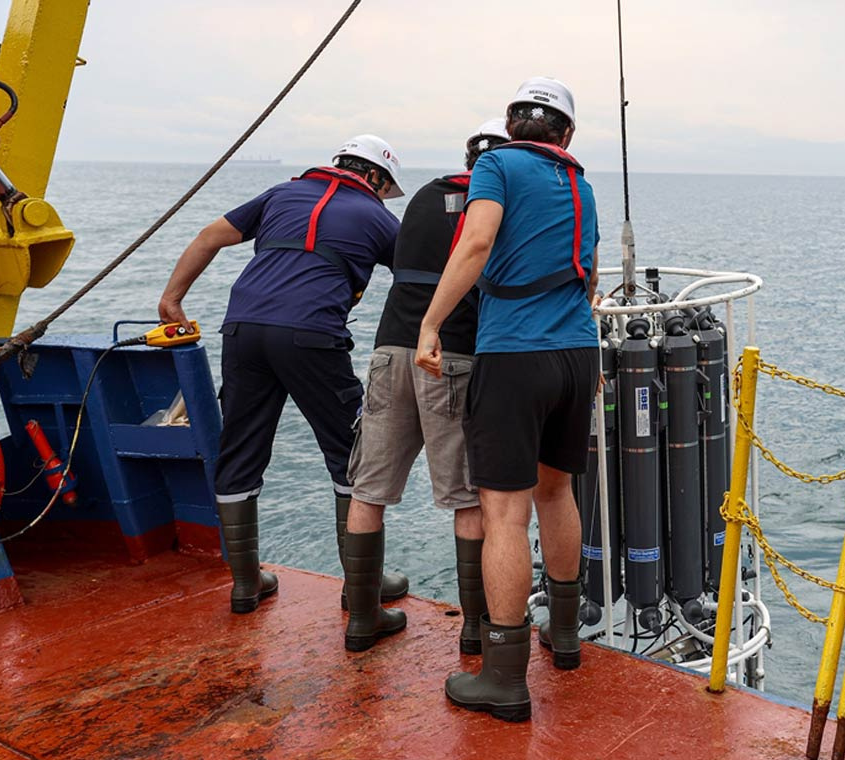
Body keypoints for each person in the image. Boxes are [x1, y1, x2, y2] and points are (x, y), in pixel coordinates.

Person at [157, 134, 409, 615]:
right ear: (374, 177)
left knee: (241, 449)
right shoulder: (378, 217)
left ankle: (246, 584)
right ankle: (363, 586)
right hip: (313, 337)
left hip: (243, 329)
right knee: (352, 457)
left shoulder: (279, 194)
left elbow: (209, 236)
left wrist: (172, 299)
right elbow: (417, 279)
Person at [415, 78, 600, 722]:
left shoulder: (495, 163)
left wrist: (432, 323)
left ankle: (503, 678)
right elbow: (591, 274)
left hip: (514, 357)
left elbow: (476, 241)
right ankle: (568, 634)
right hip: (578, 356)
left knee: (503, 514)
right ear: (566, 135)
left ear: (514, 124)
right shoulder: (581, 183)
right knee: (558, 491)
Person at [344, 120, 511, 653]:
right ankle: (474, 628)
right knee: (467, 497)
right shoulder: (498, 206)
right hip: (450, 355)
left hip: (389, 349)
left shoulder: (420, 197)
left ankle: (362, 620)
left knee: (368, 488)